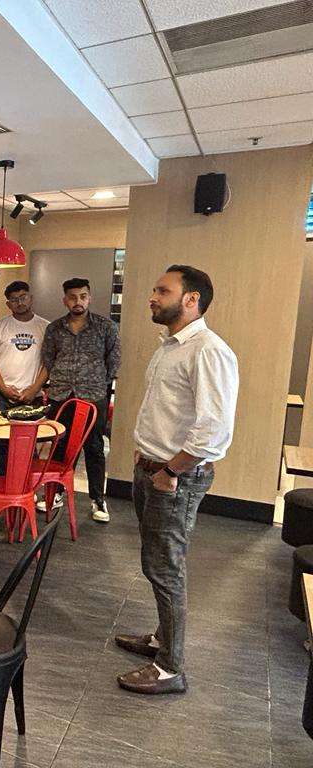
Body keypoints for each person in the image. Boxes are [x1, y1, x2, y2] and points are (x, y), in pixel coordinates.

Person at [115, 265, 237, 695]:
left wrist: (170, 471)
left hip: (174, 479)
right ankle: (161, 638)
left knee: (166, 568)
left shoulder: (208, 351)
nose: (152, 296)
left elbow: (213, 430)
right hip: (153, 470)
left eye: (162, 290)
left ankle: (170, 667)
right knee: (156, 562)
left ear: (191, 299)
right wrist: (146, 453)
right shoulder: (170, 346)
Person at [38, 278, 121, 522]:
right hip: (61, 395)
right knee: (60, 445)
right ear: (65, 300)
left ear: (89, 298)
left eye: (83, 296)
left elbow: (113, 361)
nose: (78, 301)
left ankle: (98, 500)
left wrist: (97, 383)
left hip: (93, 396)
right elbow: (48, 359)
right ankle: (56, 493)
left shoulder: (105, 327)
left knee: (94, 447)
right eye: (73, 297)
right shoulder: (54, 329)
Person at [0, 281, 50, 475]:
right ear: (8, 304)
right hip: (0, 395)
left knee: (28, 446)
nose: (20, 302)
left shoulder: (46, 327)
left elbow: (49, 363)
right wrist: (4, 388)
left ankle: (24, 486)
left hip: (32, 396)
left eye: (23, 297)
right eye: (14, 300)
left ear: (31, 298)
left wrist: (33, 390)